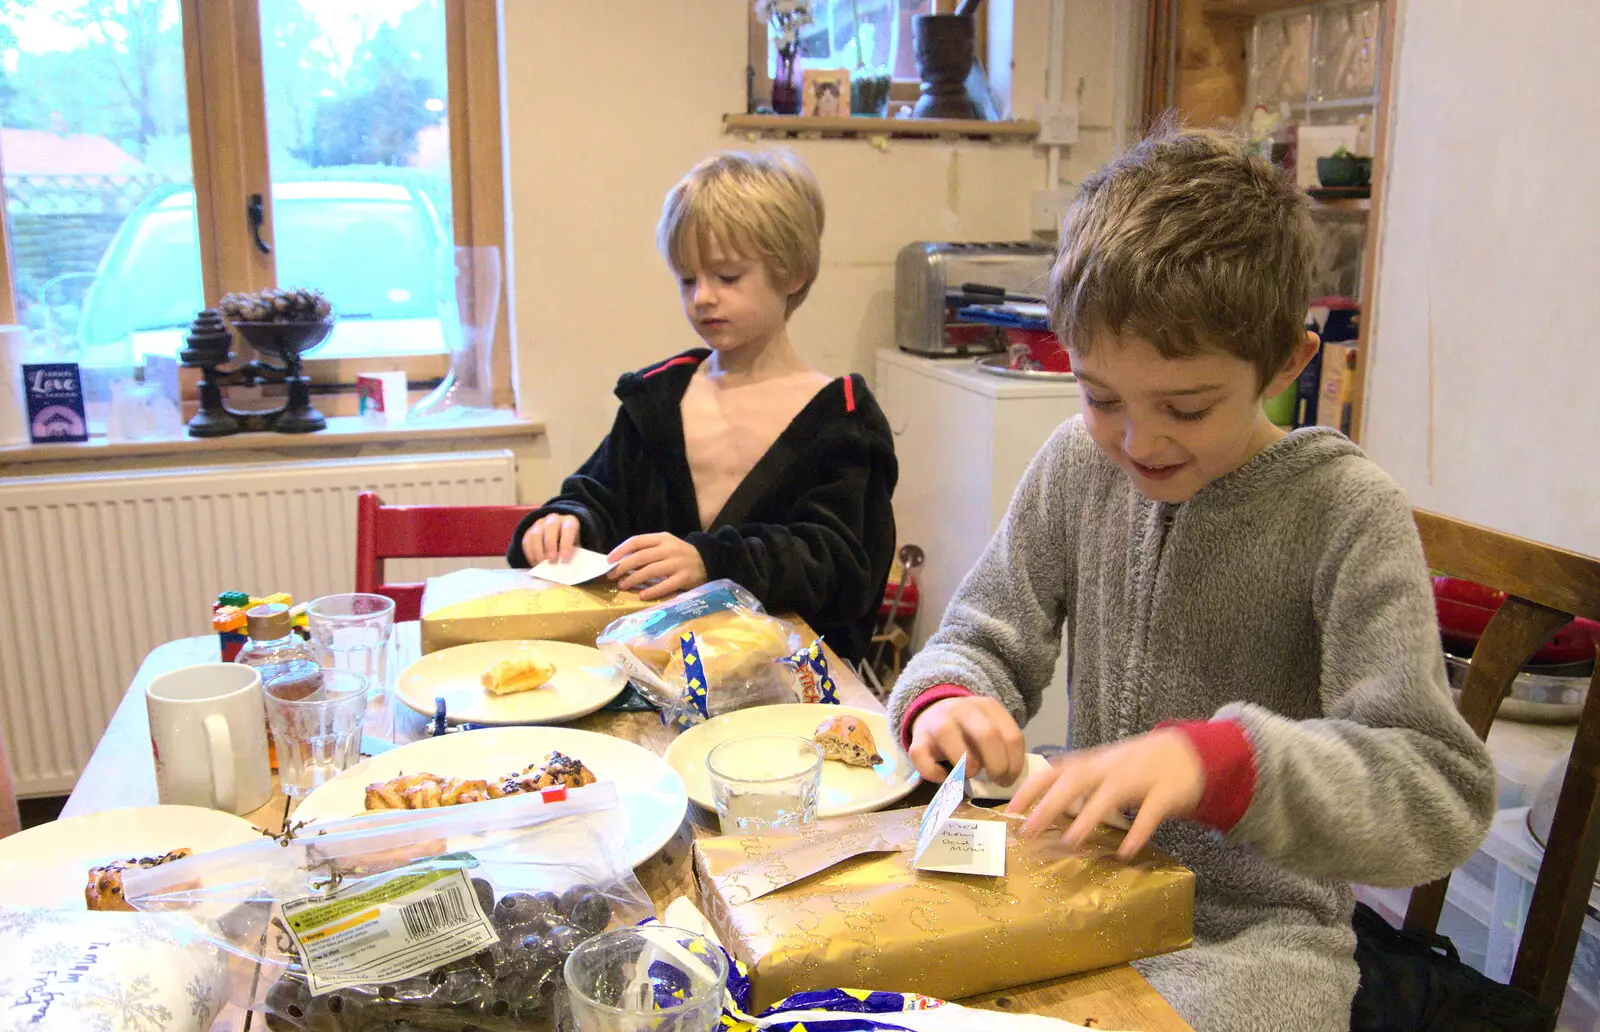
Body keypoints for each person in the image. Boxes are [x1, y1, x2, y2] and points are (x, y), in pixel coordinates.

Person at [888, 125, 1495, 1032]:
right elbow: (982, 633)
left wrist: (1223, 765)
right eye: (1101, 398)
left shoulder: (1345, 514)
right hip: (1077, 889)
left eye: (1187, 406)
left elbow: (1437, 790)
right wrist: (946, 699)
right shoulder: (1073, 467)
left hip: (1257, 945)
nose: (1139, 442)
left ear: (1288, 363)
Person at [508, 150, 897, 663]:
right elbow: (600, 495)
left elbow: (843, 568)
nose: (702, 298)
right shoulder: (658, 399)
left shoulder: (842, 420)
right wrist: (566, 520)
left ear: (793, 273)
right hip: (655, 675)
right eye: (687, 279)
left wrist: (714, 562)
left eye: (728, 277)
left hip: (790, 691)